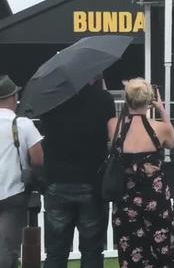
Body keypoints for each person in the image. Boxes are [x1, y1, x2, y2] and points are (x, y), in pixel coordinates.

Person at [40, 75, 115, 268]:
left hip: (57, 179)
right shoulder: (103, 99)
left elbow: (45, 132)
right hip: (92, 180)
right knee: (92, 250)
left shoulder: (50, 99)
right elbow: (111, 135)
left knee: (55, 252)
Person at [109, 78, 174, 268]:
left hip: (126, 199)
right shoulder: (160, 128)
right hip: (155, 198)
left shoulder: (114, 125)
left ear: (127, 99)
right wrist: (162, 109)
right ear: (149, 100)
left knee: (130, 253)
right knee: (162, 250)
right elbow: (173, 142)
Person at [0, 75, 43, 268]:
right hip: (14, 193)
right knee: (8, 248)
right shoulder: (23, 124)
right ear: (12, 97)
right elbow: (38, 159)